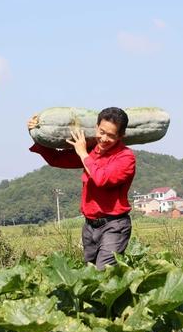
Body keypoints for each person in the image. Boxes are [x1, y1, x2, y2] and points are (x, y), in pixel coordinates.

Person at [28, 107, 136, 270]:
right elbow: (56, 159)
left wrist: (83, 153)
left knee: (103, 272)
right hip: (90, 226)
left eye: (111, 135)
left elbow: (101, 179)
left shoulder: (126, 158)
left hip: (114, 226)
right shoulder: (93, 151)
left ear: (121, 136)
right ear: (96, 127)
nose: (104, 138)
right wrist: (35, 134)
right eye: (102, 131)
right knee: (90, 274)